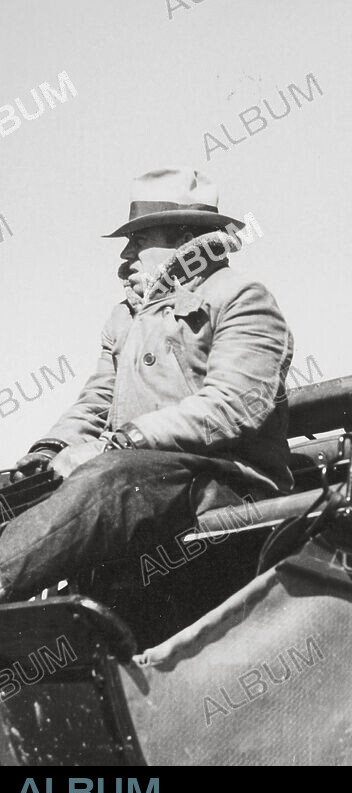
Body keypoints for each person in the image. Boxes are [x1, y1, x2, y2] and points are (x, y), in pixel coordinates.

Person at [0, 168, 294, 602]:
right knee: (13, 490)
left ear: (183, 238)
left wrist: (120, 443)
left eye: (139, 240)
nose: (126, 256)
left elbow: (234, 406)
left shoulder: (242, 297)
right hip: (138, 477)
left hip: (223, 479)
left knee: (111, 481)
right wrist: (47, 453)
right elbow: (95, 403)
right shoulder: (126, 318)